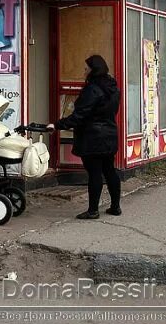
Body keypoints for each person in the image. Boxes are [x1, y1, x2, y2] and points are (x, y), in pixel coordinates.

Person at [47, 56, 121, 220]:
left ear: (93, 69)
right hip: (109, 134)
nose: (84, 71)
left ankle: (93, 210)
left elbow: (79, 116)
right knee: (109, 170)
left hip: (92, 137)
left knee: (94, 173)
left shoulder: (92, 89)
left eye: (86, 68)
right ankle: (115, 206)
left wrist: (57, 125)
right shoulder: (113, 87)